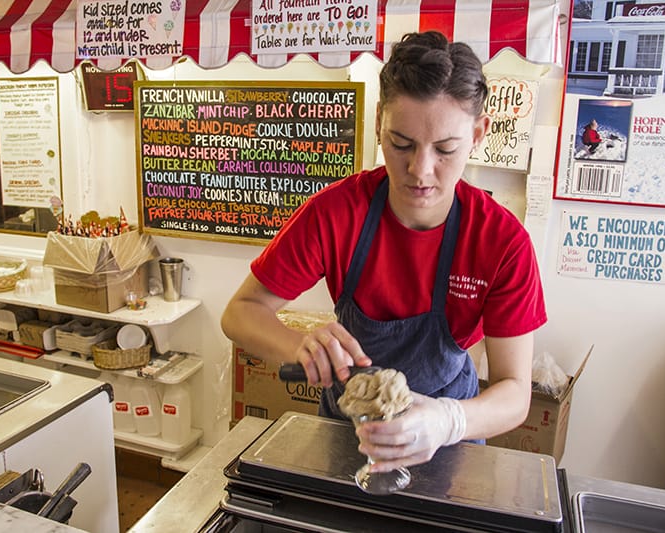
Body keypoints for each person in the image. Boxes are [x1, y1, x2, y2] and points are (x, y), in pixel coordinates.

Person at [221, 31, 547, 472]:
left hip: (449, 440)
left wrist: (448, 421)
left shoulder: (501, 241)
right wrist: (299, 345)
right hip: (347, 432)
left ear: (477, 133)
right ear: (378, 122)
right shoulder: (336, 214)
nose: (420, 171)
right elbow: (240, 313)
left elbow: (514, 391)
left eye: (446, 150)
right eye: (401, 144)